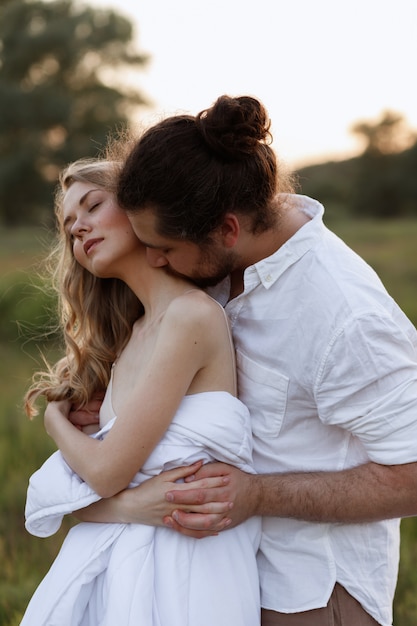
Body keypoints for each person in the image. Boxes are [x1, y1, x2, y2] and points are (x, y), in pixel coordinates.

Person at [75, 95, 417, 626]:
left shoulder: (345, 315)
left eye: (164, 246)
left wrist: (258, 494)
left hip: (307, 594)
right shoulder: (212, 271)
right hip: (216, 579)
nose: (155, 259)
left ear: (227, 230)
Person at [21, 158, 261, 626]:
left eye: (93, 206)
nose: (80, 229)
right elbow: (110, 491)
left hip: (190, 572)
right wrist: (131, 505)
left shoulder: (191, 316)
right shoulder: (130, 338)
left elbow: (107, 475)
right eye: (70, 227)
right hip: (126, 571)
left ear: (138, 208)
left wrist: (54, 423)